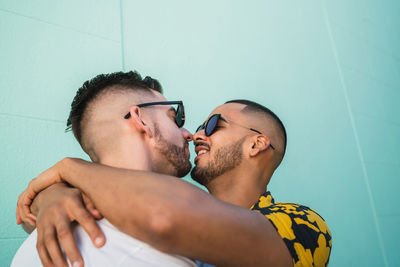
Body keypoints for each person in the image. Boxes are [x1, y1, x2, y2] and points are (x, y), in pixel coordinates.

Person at [17, 74, 332, 267]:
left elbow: (168, 215)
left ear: (257, 144)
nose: (195, 135)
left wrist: (69, 171)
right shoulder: (92, 210)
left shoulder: (303, 225)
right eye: (181, 121)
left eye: (212, 125)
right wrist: (54, 193)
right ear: (141, 121)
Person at [12, 71, 197, 267]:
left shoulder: (43, 233)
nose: (188, 134)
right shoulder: (155, 251)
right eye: (174, 119)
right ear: (142, 120)